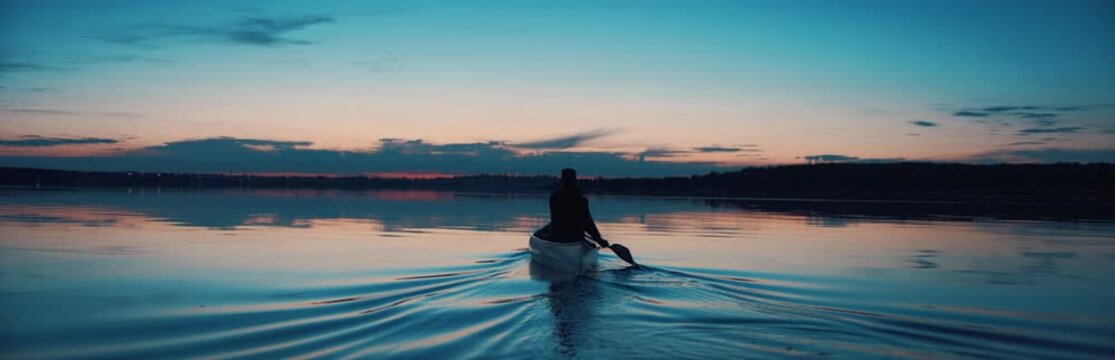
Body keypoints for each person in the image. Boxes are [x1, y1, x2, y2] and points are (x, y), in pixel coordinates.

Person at [547, 168, 609, 248]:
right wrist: (598, 238)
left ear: (562, 180)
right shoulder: (581, 199)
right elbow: (587, 221)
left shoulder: (554, 197)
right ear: (575, 180)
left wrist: (598, 238)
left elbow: (556, 218)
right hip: (576, 236)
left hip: (557, 235)